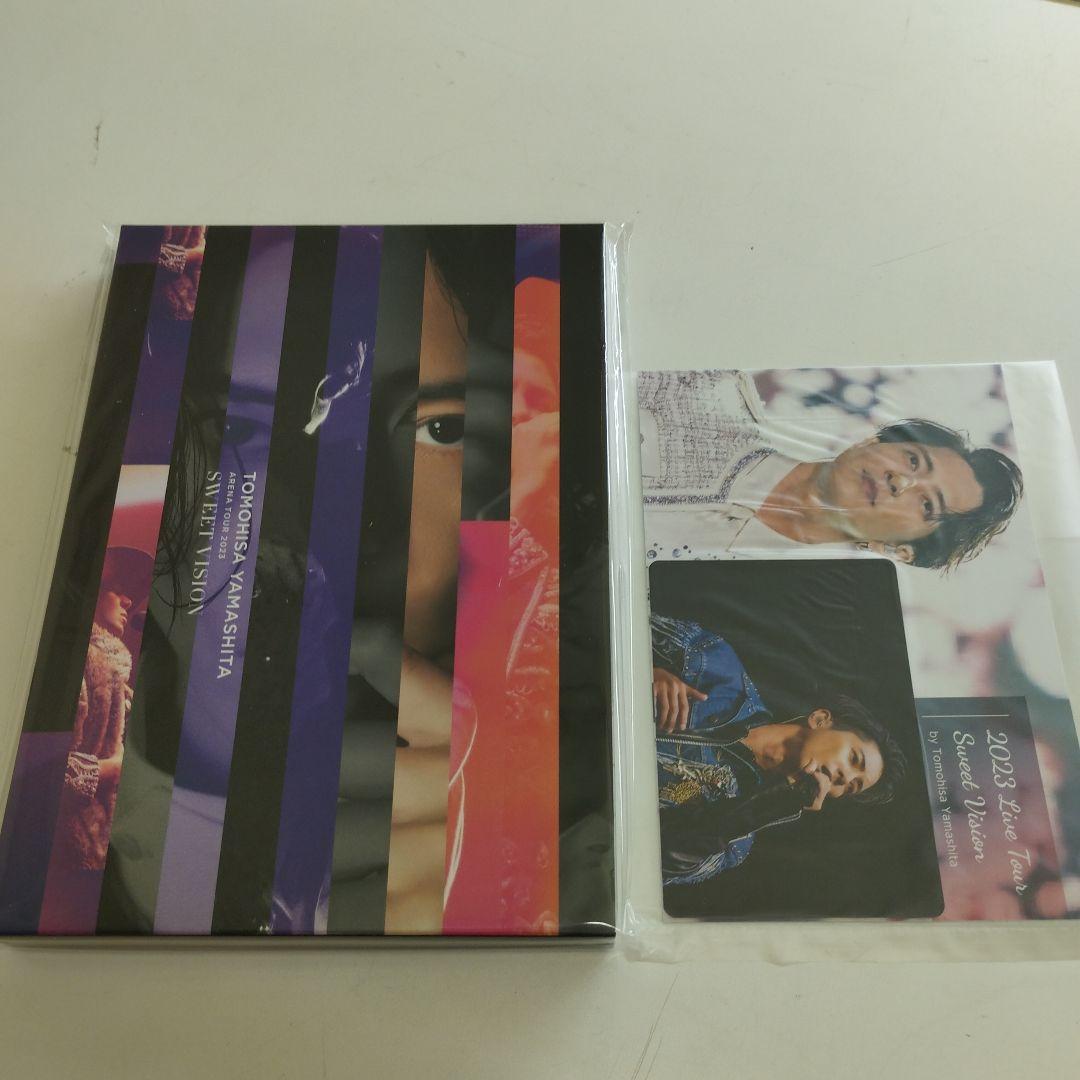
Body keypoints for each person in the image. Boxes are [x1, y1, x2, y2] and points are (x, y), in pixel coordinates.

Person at [639, 369, 1023, 570]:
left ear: (898, 550)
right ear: (870, 442)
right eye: (913, 461)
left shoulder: (780, 605)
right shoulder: (705, 396)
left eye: (927, 504)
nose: (901, 481)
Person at [650, 613, 907, 887]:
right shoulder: (715, 664)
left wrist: (767, 808)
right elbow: (624, 624)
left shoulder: (736, 843)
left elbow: (651, 865)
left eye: (852, 787)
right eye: (854, 758)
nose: (845, 777)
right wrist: (646, 672)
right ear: (820, 719)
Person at [57, 546, 151, 871]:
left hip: (108, 854)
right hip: (71, 858)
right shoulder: (76, 661)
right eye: (117, 588)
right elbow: (41, 766)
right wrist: (113, 771)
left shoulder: (120, 684)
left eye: (132, 595)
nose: (129, 601)